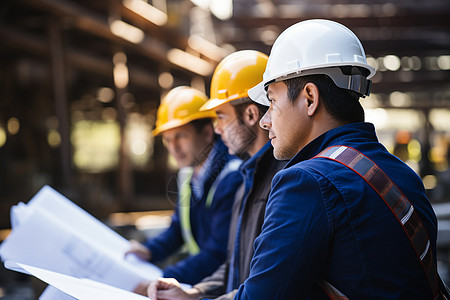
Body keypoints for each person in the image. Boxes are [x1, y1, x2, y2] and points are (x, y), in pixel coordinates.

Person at [232, 19, 440, 299]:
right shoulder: (404, 176)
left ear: (309, 98)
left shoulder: (305, 183)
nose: (266, 121)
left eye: (271, 101)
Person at [147, 50, 287, 300]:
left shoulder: (277, 180)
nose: (218, 127)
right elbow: (237, 265)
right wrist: (195, 292)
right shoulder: (247, 178)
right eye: (168, 140)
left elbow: (263, 284)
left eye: (221, 117)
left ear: (251, 115)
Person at [125, 86, 242, 291]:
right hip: (205, 280)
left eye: (181, 136)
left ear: (207, 133)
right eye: (168, 140)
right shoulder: (188, 173)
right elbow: (178, 229)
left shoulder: (232, 175)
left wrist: (163, 278)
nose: (173, 148)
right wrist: (148, 251)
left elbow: (218, 253)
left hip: (226, 287)